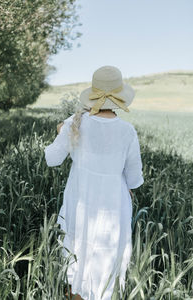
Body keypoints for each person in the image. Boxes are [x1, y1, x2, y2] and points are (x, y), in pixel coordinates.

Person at [44, 66, 144, 300]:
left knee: (76, 255)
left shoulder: (74, 123)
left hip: (80, 202)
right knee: (106, 258)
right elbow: (134, 178)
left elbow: (52, 159)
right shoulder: (127, 131)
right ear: (119, 97)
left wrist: (60, 131)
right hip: (113, 205)